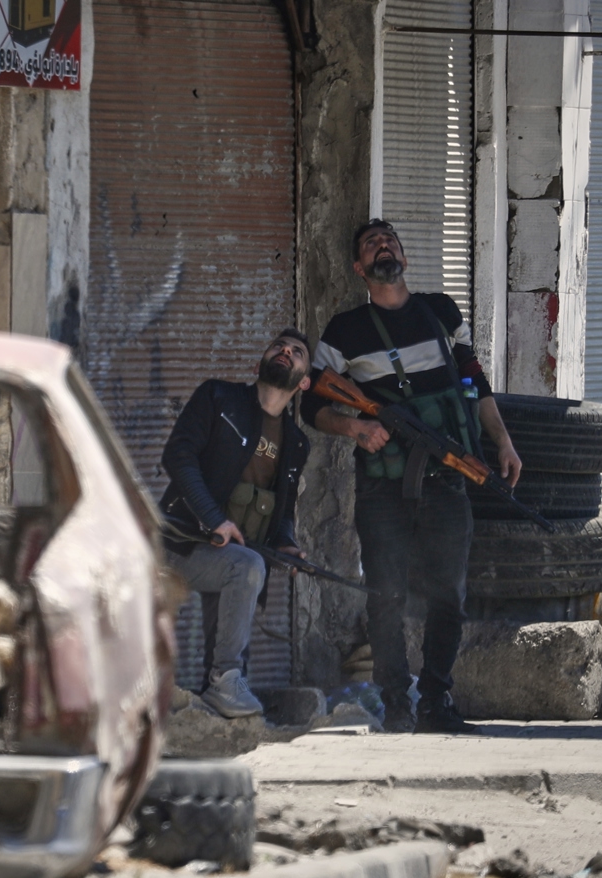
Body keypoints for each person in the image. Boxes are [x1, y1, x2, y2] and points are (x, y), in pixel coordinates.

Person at [300, 219, 523, 735]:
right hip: (384, 486)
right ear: (359, 268)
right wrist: (356, 427)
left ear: (403, 257)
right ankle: (396, 704)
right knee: (386, 595)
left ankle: (436, 702)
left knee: (449, 595)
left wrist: (503, 441)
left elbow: (473, 382)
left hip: (446, 477)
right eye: (371, 244)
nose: (384, 246)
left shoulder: (441, 311)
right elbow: (310, 404)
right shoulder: (345, 331)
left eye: (391, 240)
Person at [159, 329, 313, 718]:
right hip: (179, 543)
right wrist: (215, 519)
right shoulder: (218, 397)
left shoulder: (296, 443)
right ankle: (224, 681)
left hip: (232, 557)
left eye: (297, 352)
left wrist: (286, 545)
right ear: (259, 362)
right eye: (278, 346)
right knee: (245, 568)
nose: (285, 351)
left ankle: (219, 698)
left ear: (304, 382)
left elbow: (282, 512)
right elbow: (178, 456)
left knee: (239, 593)